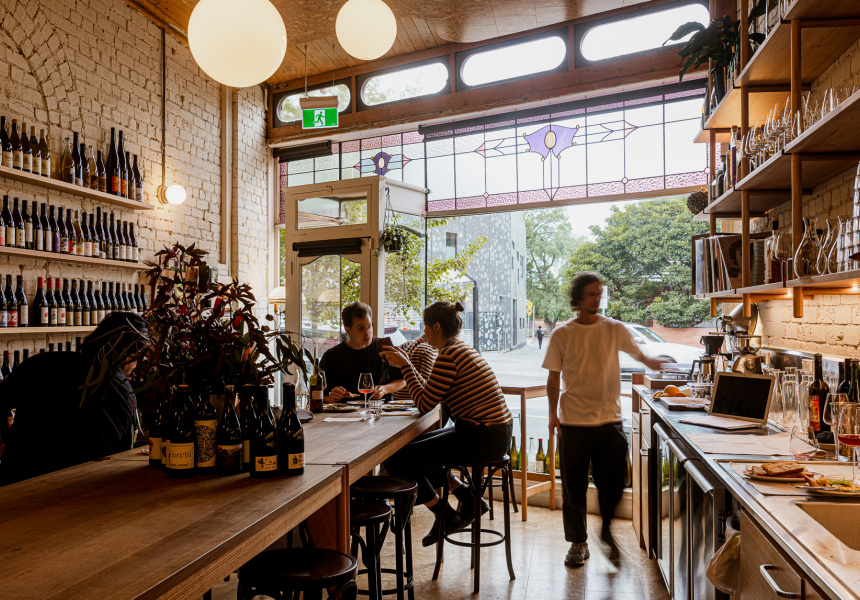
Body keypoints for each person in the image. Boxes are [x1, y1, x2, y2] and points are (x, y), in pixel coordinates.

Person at [543, 272, 665, 567]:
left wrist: (657, 364)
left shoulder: (614, 329)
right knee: (574, 489)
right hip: (573, 422)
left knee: (614, 483)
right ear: (577, 298)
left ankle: (607, 528)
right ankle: (577, 542)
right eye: (591, 294)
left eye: (600, 293)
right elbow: (553, 378)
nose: (597, 299)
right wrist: (552, 414)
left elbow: (640, 355)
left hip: (609, 421)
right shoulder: (563, 334)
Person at [381, 301, 513, 546]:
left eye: (425, 326)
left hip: (482, 437)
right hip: (490, 432)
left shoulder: (448, 356)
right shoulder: (459, 349)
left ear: (436, 327)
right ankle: (468, 497)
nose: (423, 332)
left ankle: (444, 514)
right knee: (408, 446)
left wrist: (406, 366)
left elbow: (423, 403)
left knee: (397, 457)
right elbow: (430, 393)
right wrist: (408, 367)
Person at [0, 312, 149, 486]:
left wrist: (5, 439)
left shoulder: (41, 363)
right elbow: (120, 458)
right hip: (77, 492)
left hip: (16, 482)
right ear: (132, 353)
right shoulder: (123, 393)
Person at [320, 302, 405, 403]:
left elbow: (402, 380)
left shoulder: (384, 348)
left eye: (369, 326)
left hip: (379, 412)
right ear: (348, 330)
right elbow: (316, 394)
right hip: (344, 415)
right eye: (361, 328)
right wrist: (330, 398)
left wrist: (385, 389)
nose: (368, 332)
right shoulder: (331, 357)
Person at [391, 335, 437, 401]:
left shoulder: (406, 344)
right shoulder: (429, 350)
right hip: (415, 403)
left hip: (395, 401)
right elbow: (428, 390)